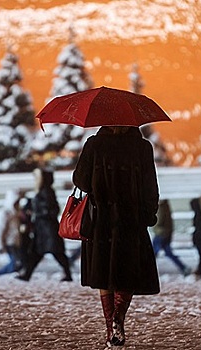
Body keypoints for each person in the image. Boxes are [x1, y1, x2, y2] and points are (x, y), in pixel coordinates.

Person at [73, 126, 160, 347]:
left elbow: (80, 181)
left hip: (100, 222)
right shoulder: (141, 148)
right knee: (126, 272)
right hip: (131, 221)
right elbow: (151, 186)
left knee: (104, 273)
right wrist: (149, 215)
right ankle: (119, 316)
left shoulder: (94, 145)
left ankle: (110, 323)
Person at [17, 168, 73, 282]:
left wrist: (37, 212)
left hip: (47, 229)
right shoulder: (44, 191)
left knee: (55, 252)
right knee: (38, 253)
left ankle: (67, 274)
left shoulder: (46, 191)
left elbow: (53, 209)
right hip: (44, 229)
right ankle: (27, 274)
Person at [152, 199, 191, 276]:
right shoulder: (167, 210)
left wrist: (155, 228)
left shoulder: (161, 209)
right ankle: (183, 268)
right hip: (166, 234)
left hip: (160, 234)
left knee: (153, 253)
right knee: (168, 253)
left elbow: (158, 221)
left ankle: (147, 270)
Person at [0, 190, 23, 275]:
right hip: (9, 242)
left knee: (18, 262)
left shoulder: (15, 213)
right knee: (15, 263)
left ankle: (4, 275)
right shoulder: (4, 213)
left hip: (15, 241)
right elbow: (0, 229)